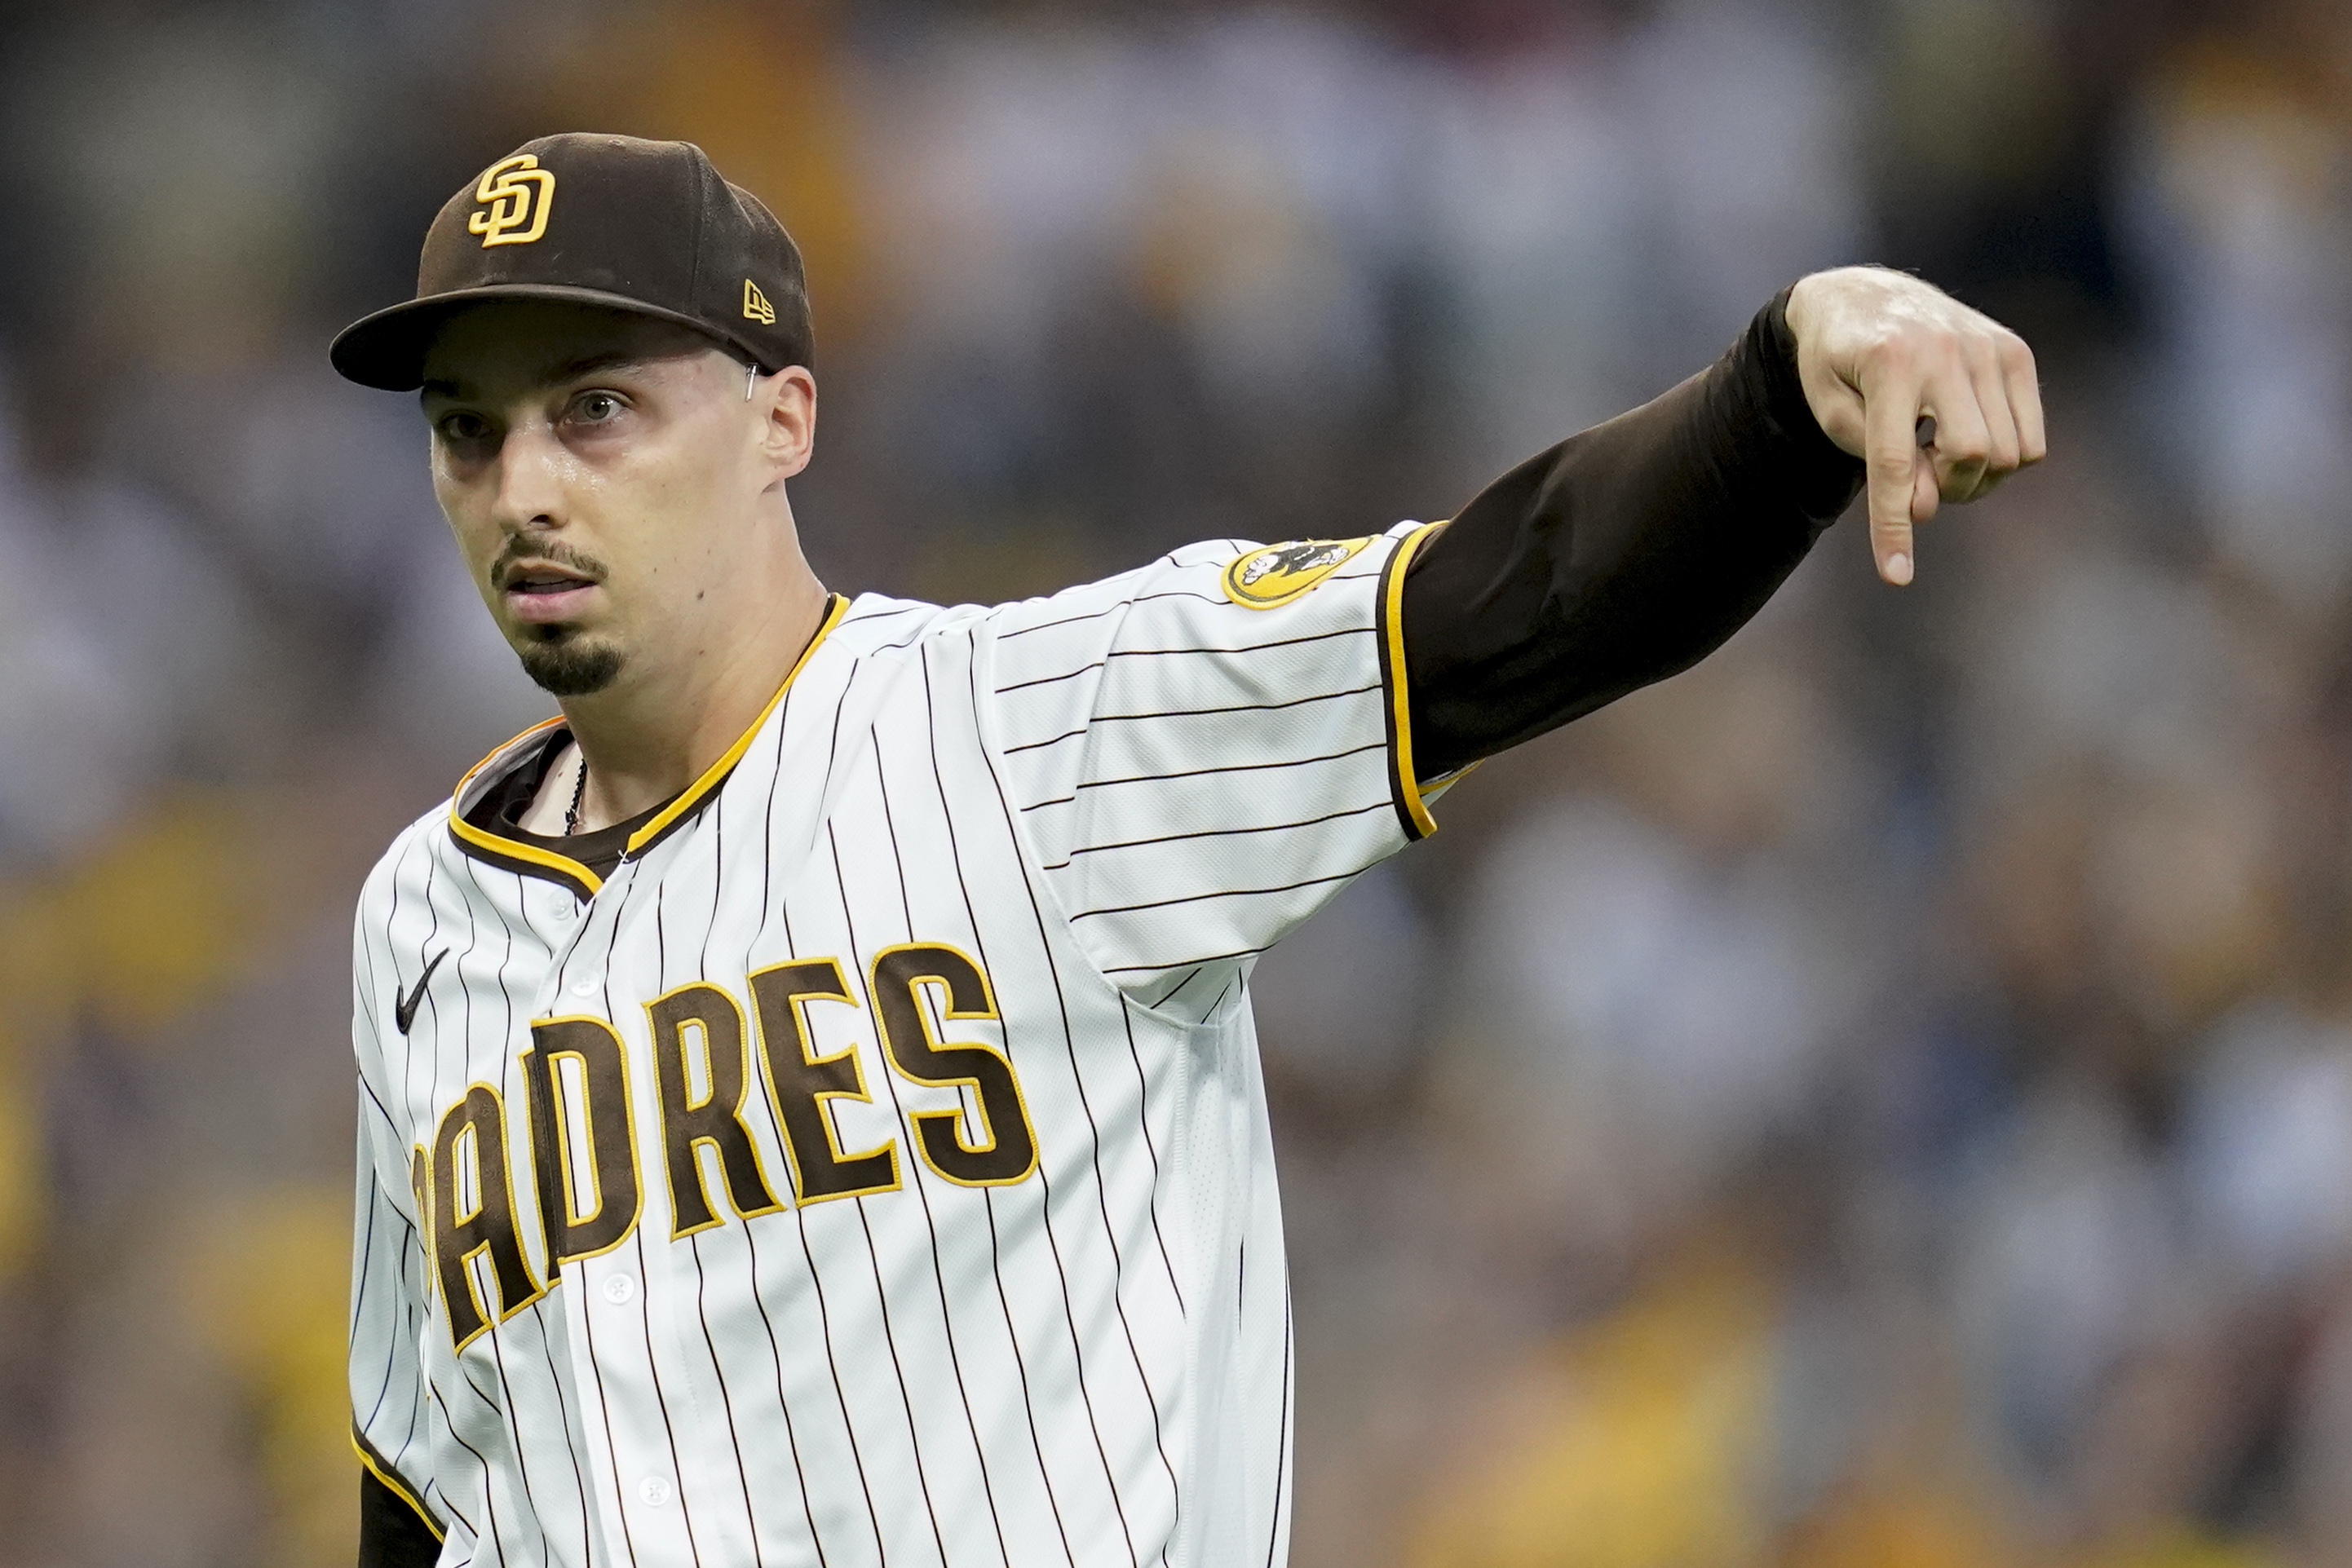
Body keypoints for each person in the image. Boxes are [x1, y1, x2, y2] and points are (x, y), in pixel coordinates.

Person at [334, 133, 2040, 1568]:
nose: (521, 485)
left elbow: (1503, 599)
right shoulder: (418, 921)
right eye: (467, 430)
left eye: (597, 407)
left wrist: (1781, 389)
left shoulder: (1035, 728)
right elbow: (421, 1485)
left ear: (782, 418)